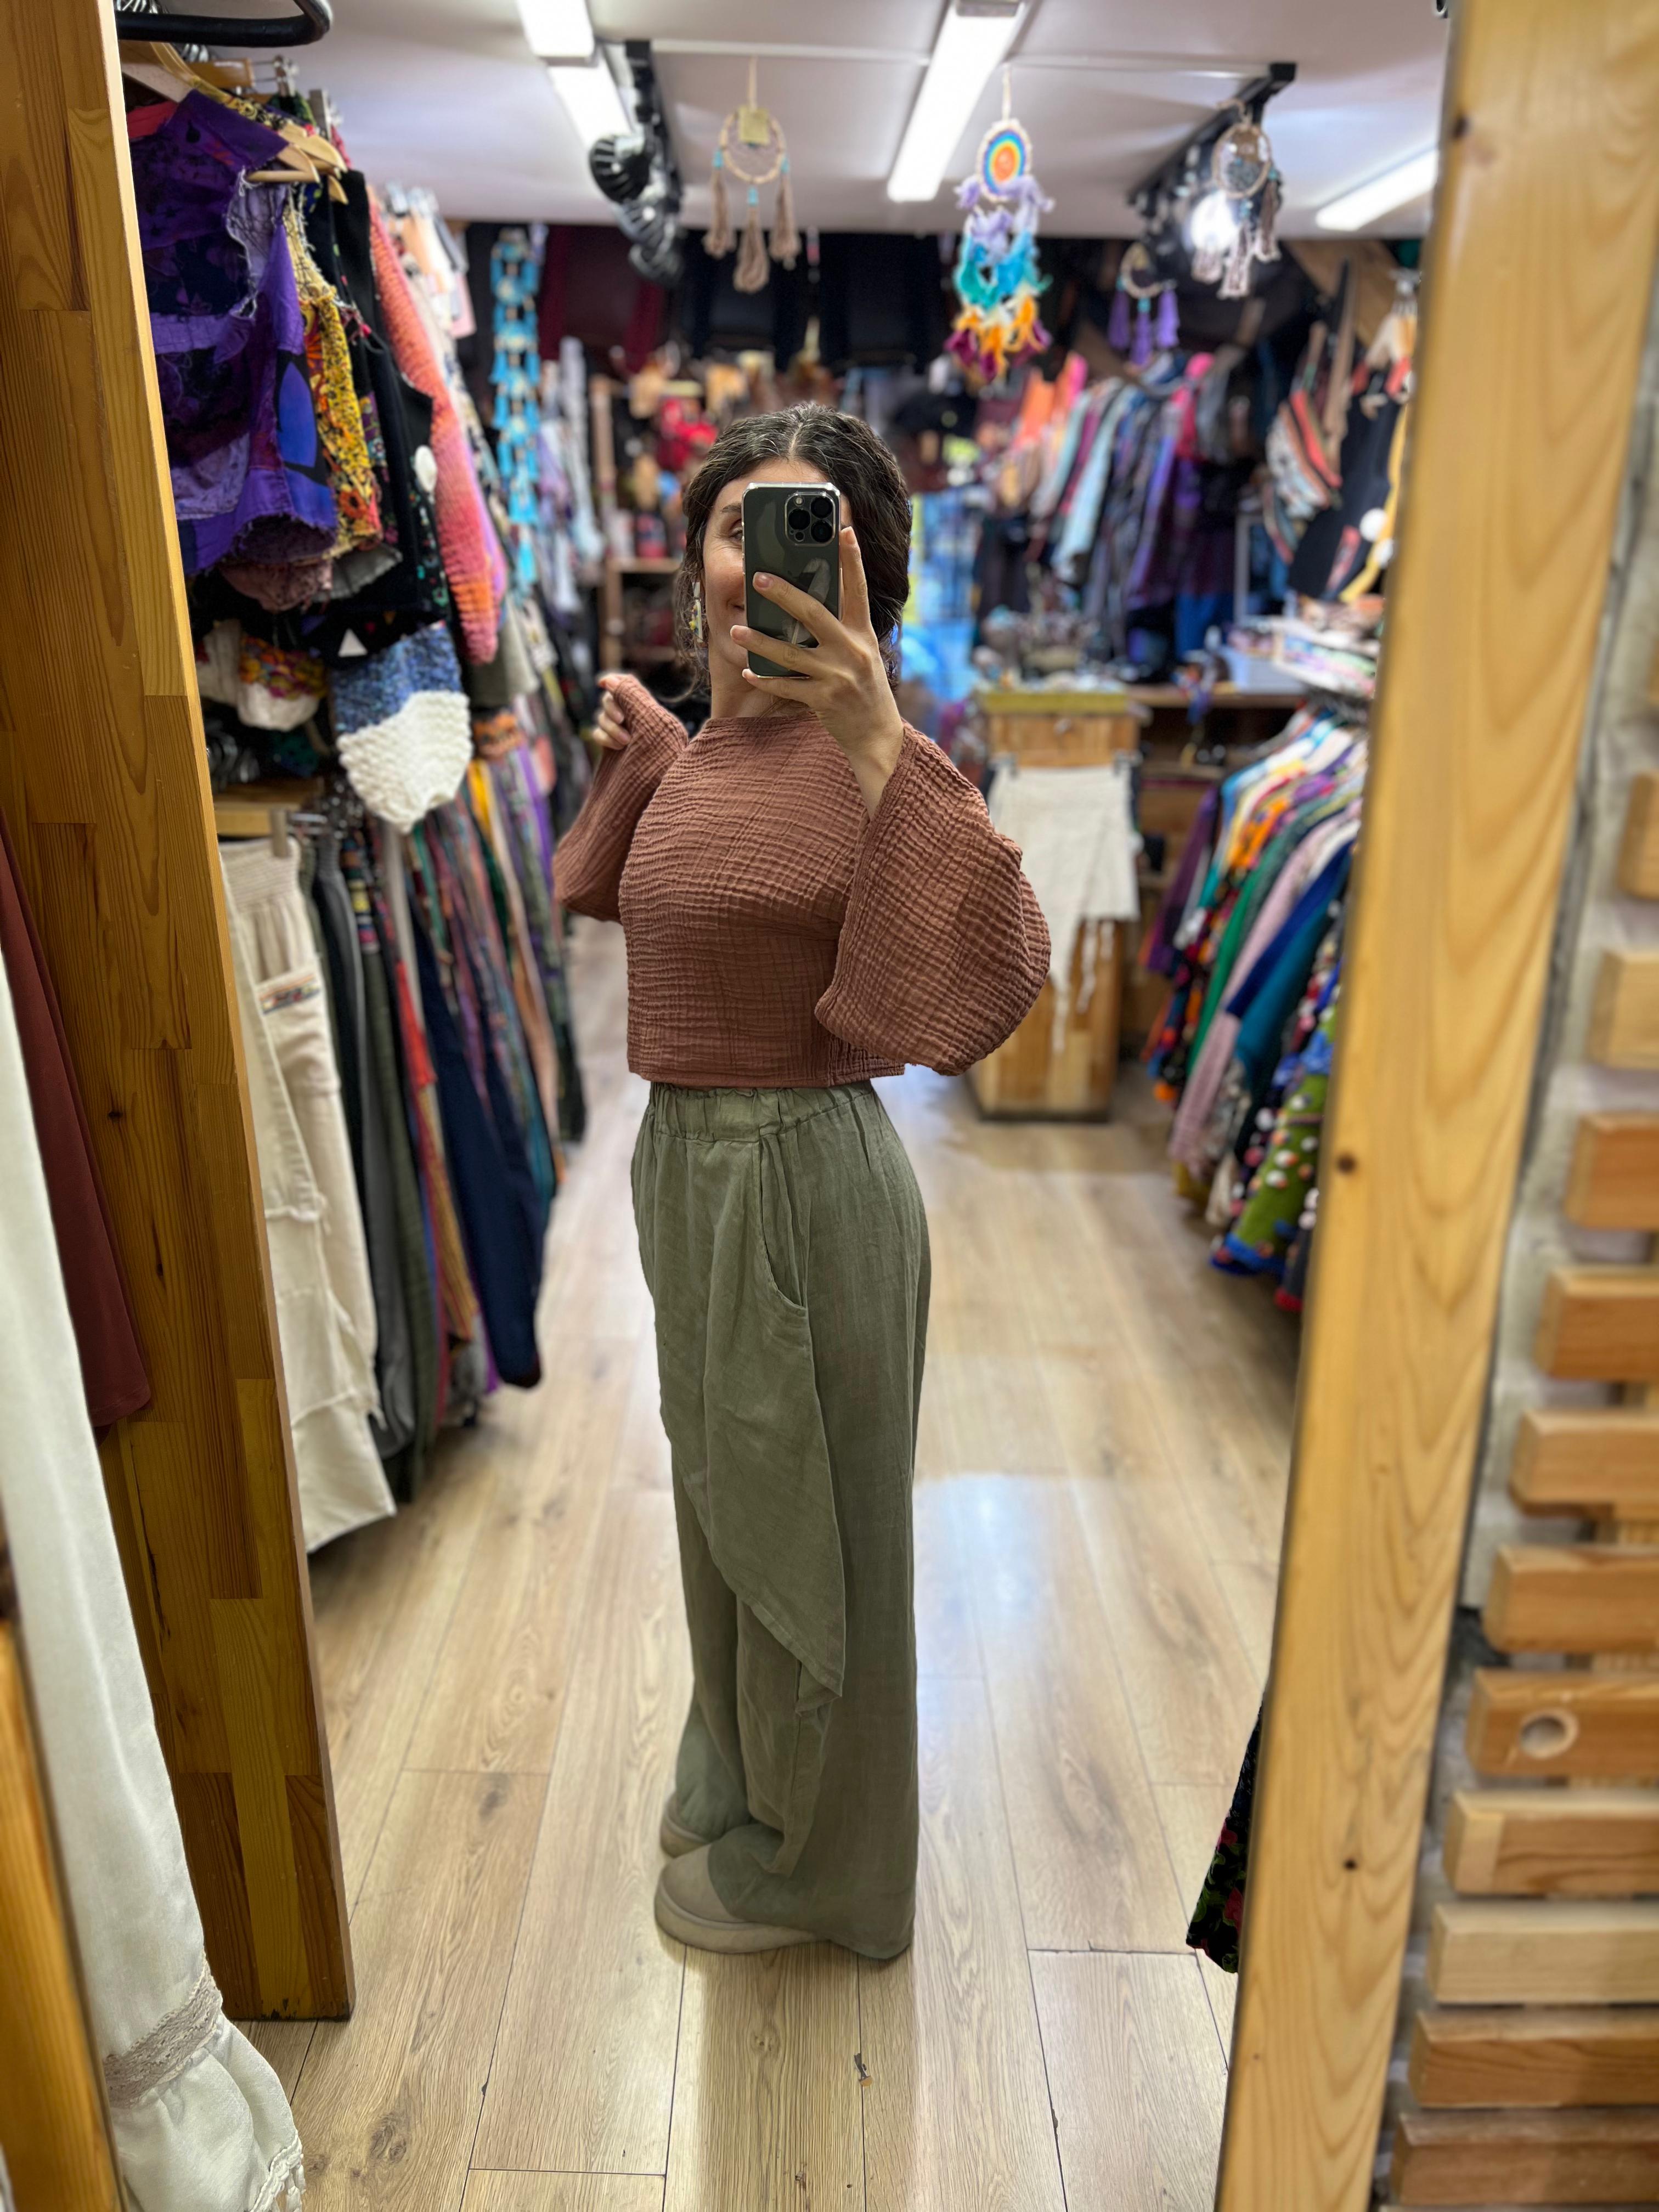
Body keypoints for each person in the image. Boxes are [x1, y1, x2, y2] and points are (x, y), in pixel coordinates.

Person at [557, 405, 1049, 1958]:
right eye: (733, 527)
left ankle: (834, 1872)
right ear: (698, 557)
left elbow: (994, 975)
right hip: (690, 1172)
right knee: (723, 1503)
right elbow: (603, 894)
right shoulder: (711, 749)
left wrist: (883, 739)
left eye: (804, 533)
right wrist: (653, 754)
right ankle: (745, 1773)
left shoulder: (877, 755)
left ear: (863, 573)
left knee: (823, 1544)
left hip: (802, 1175)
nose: (756, 563)